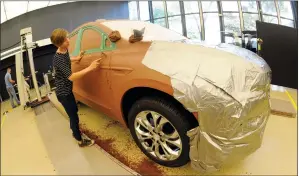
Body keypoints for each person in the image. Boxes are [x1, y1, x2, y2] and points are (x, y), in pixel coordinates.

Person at [50, 28, 102, 147]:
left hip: (67, 91)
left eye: (67, 37)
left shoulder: (64, 50)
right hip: (64, 94)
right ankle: (79, 139)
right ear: (59, 43)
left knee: (74, 112)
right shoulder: (57, 59)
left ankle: (74, 131)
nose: (68, 40)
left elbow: (67, 59)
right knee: (74, 116)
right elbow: (72, 77)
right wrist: (91, 67)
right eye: (65, 40)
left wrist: (77, 58)